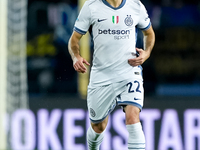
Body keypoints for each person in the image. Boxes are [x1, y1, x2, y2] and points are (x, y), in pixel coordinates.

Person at [68, 0, 155, 149]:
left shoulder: (135, 5)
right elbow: (74, 40)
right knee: (98, 127)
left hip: (129, 71)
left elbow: (149, 33)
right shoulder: (91, 7)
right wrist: (76, 57)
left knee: (133, 117)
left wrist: (146, 53)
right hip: (102, 75)